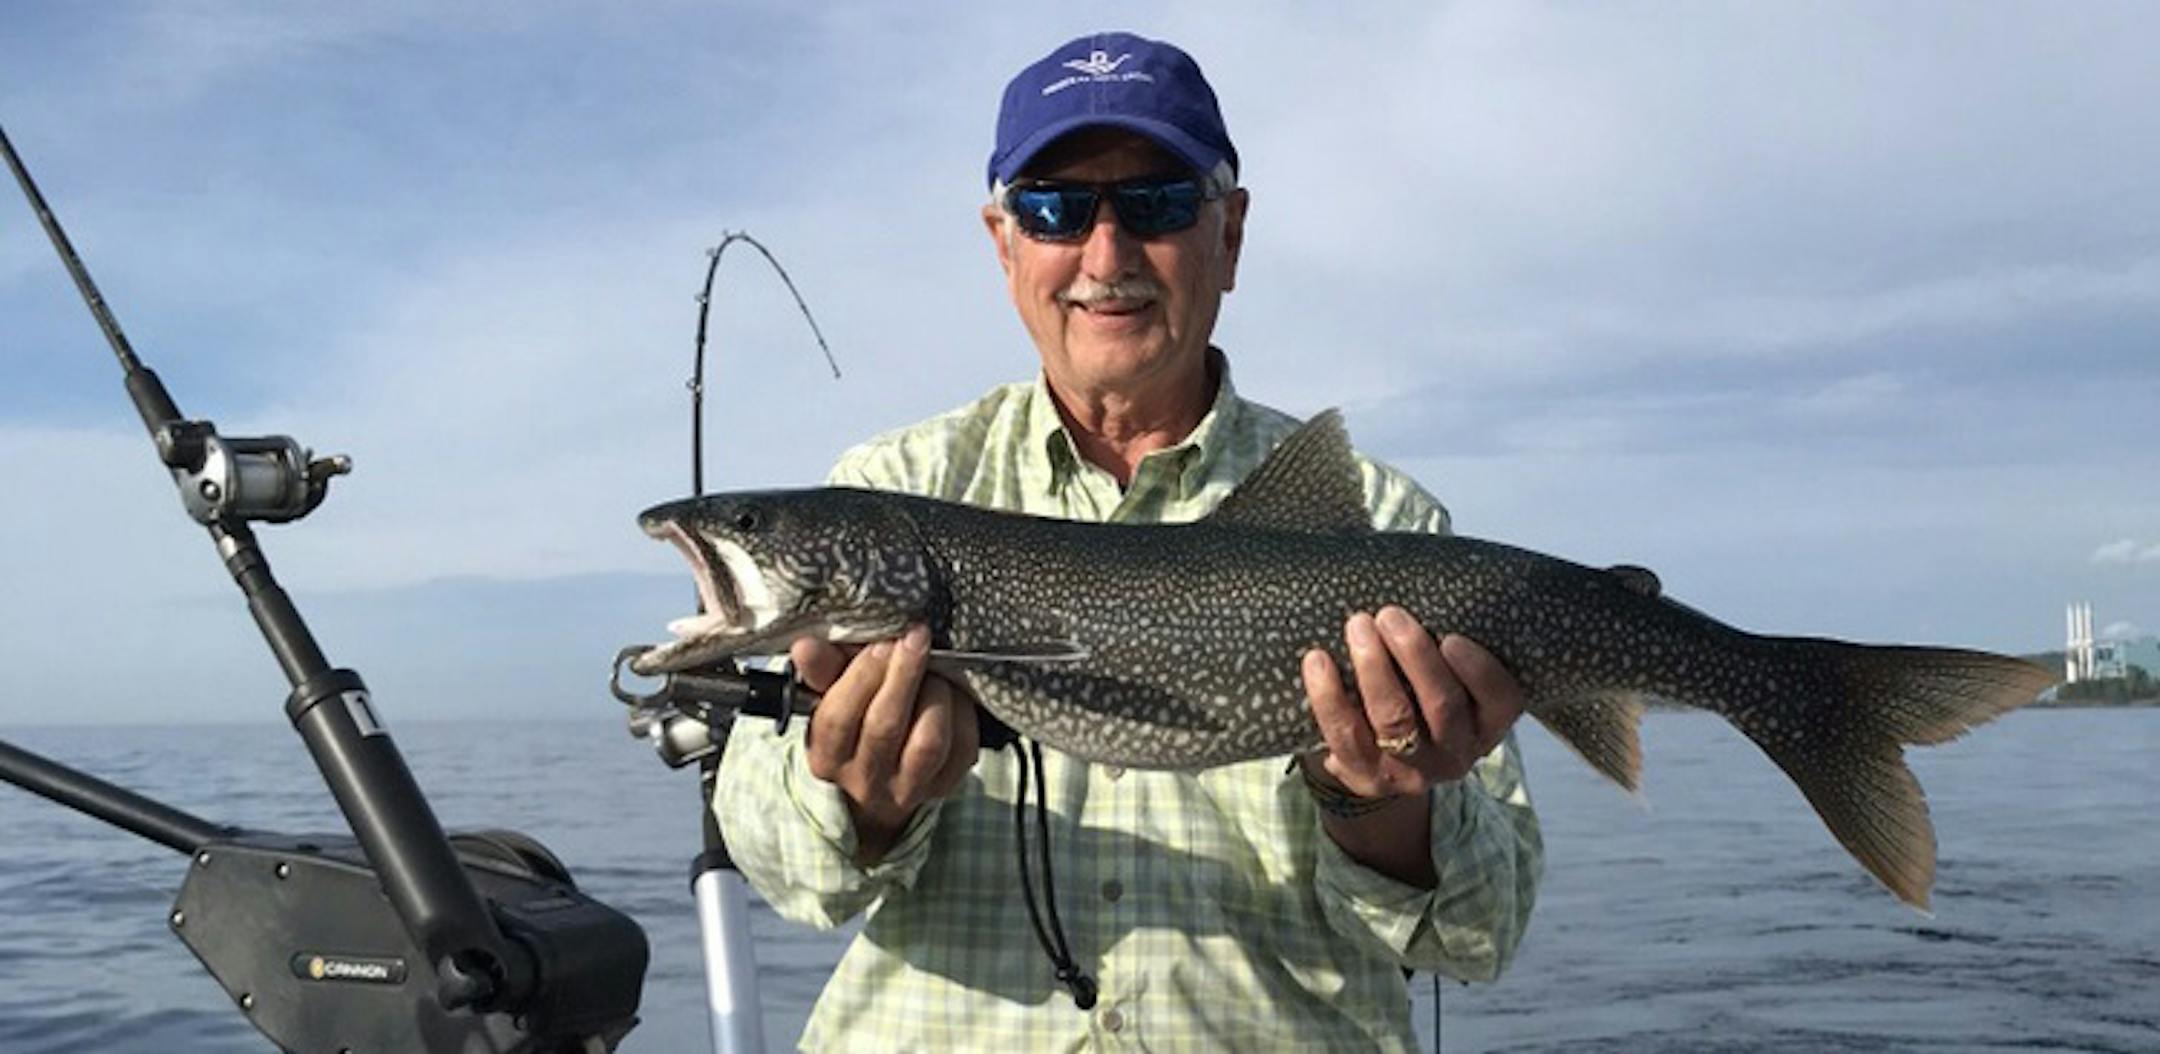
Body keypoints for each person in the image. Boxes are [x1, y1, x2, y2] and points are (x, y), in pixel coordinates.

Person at [715, 31, 1542, 1052]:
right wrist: (860, 804)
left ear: (1229, 236)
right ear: (1004, 243)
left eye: (1155, 203)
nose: (1105, 257)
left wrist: (1380, 809)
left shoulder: (1383, 526)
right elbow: (786, 868)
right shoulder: (894, 487)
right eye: (1057, 208)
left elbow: (1482, 931)